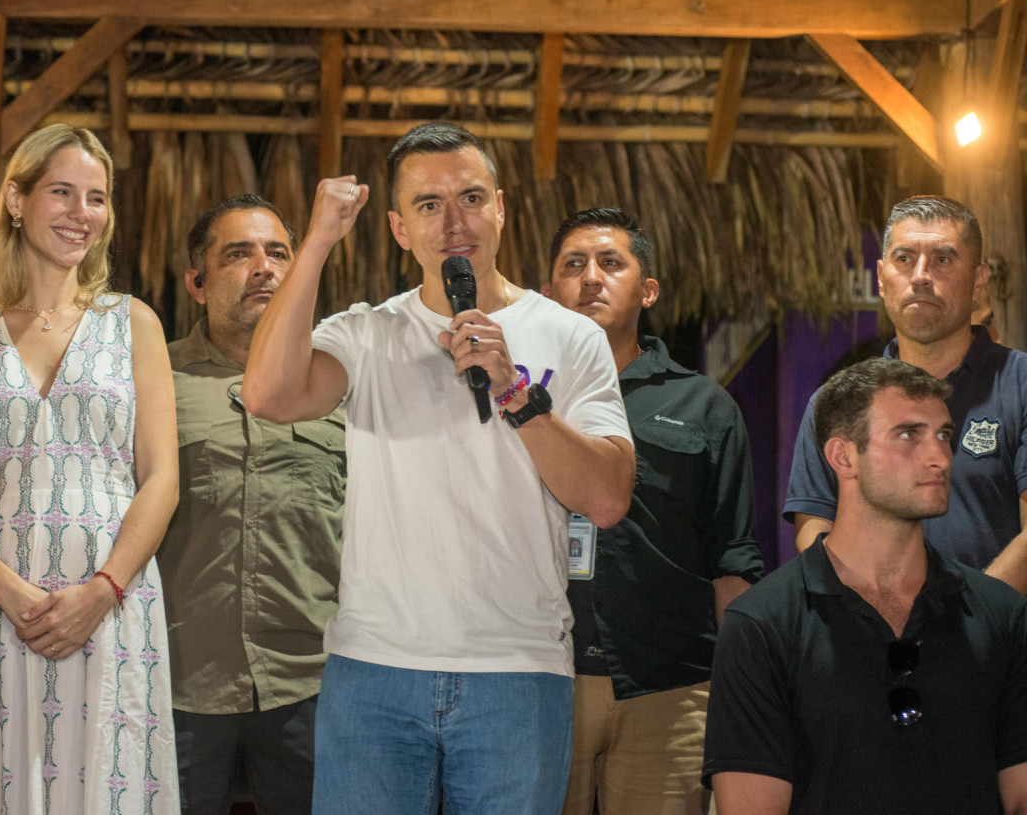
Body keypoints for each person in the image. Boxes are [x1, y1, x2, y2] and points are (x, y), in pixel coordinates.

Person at [241, 121, 635, 814]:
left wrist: (515, 388)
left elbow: (606, 498)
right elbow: (269, 394)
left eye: (471, 197)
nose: (455, 222)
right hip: (375, 671)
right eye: (429, 204)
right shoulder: (365, 333)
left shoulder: (571, 337)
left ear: (503, 208)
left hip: (517, 671)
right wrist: (318, 241)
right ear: (398, 228)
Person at [0, 124, 180, 813]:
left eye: (96, 198)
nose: (81, 213)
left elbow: (162, 478)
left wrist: (103, 589)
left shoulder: (133, 322)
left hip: (109, 608)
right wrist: (6, 589)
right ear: (15, 198)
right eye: (62, 192)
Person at [704, 357, 1027, 815]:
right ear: (842, 456)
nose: (940, 456)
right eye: (908, 434)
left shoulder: (1003, 615)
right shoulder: (761, 625)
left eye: (944, 435)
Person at [542, 207, 764, 815]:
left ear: (648, 290)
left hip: (670, 687)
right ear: (546, 291)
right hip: (537, 681)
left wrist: (741, 693)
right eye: (573, 265)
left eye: (611, 263)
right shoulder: (518, 393)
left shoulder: (704, 406)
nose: (591, 277)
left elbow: (733, 559)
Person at [158, 195, 345, 814]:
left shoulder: (342, 379)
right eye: (238, 254)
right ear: (198, 282)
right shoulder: (151, 381)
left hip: (313, 681)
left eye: (279, 253)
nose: (264, 268)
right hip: (181, 683)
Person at [785, 196, 1027, 591]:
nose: (920, 275)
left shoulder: (1021, 383)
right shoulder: (835, 403)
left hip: (1001, 643)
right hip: (872, 642)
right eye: (904, 259)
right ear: (881, 278)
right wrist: (878, 619)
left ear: (979, 279)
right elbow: (814, 532)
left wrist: (974, 625)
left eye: (943, 259)